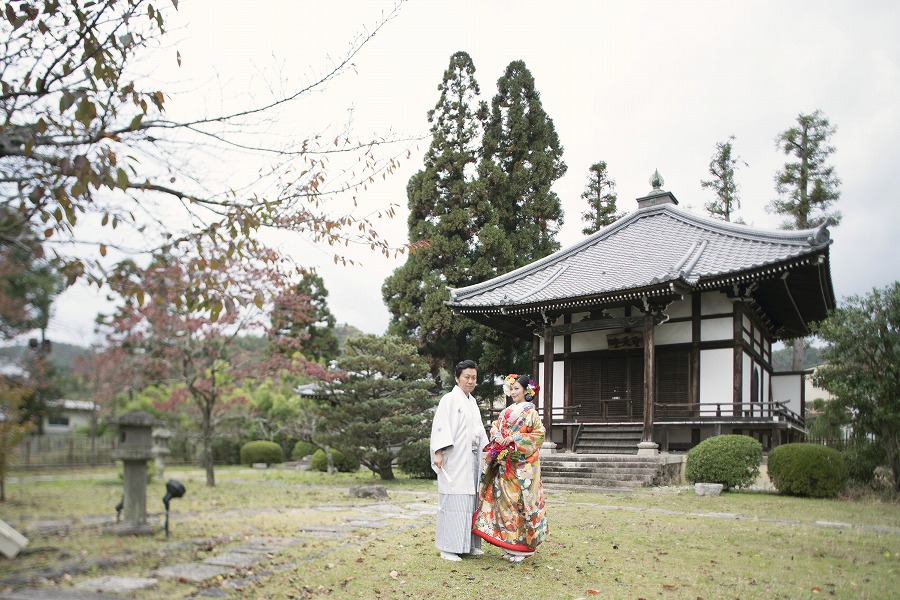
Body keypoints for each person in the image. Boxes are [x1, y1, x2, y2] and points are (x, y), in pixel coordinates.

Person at [473, 373, 548, 562]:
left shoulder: (530, 412)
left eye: (517, 389)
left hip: (522, 465)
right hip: (505, 463)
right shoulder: (507, 410)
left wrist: (514, 439)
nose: (513, 392)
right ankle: (511, 544)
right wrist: (497, 435)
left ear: (525, 390)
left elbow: (538, 435)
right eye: (511, 389)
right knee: (505, 503)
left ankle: (524, 547)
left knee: (520, 503)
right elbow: (496, 427)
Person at [430, 359, 490, 561]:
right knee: (454, 498)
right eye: (467, 377)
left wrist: (488, 450)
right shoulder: (449, 399)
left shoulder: (472, 401)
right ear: (457, 378)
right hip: (454, 457)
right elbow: (440, 426)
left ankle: (468, 544)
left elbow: (479, 430)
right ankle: (448, 547)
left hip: (471, 456)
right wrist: (438, 451)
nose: (471, 381)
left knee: (470, 499)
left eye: (474, 377)